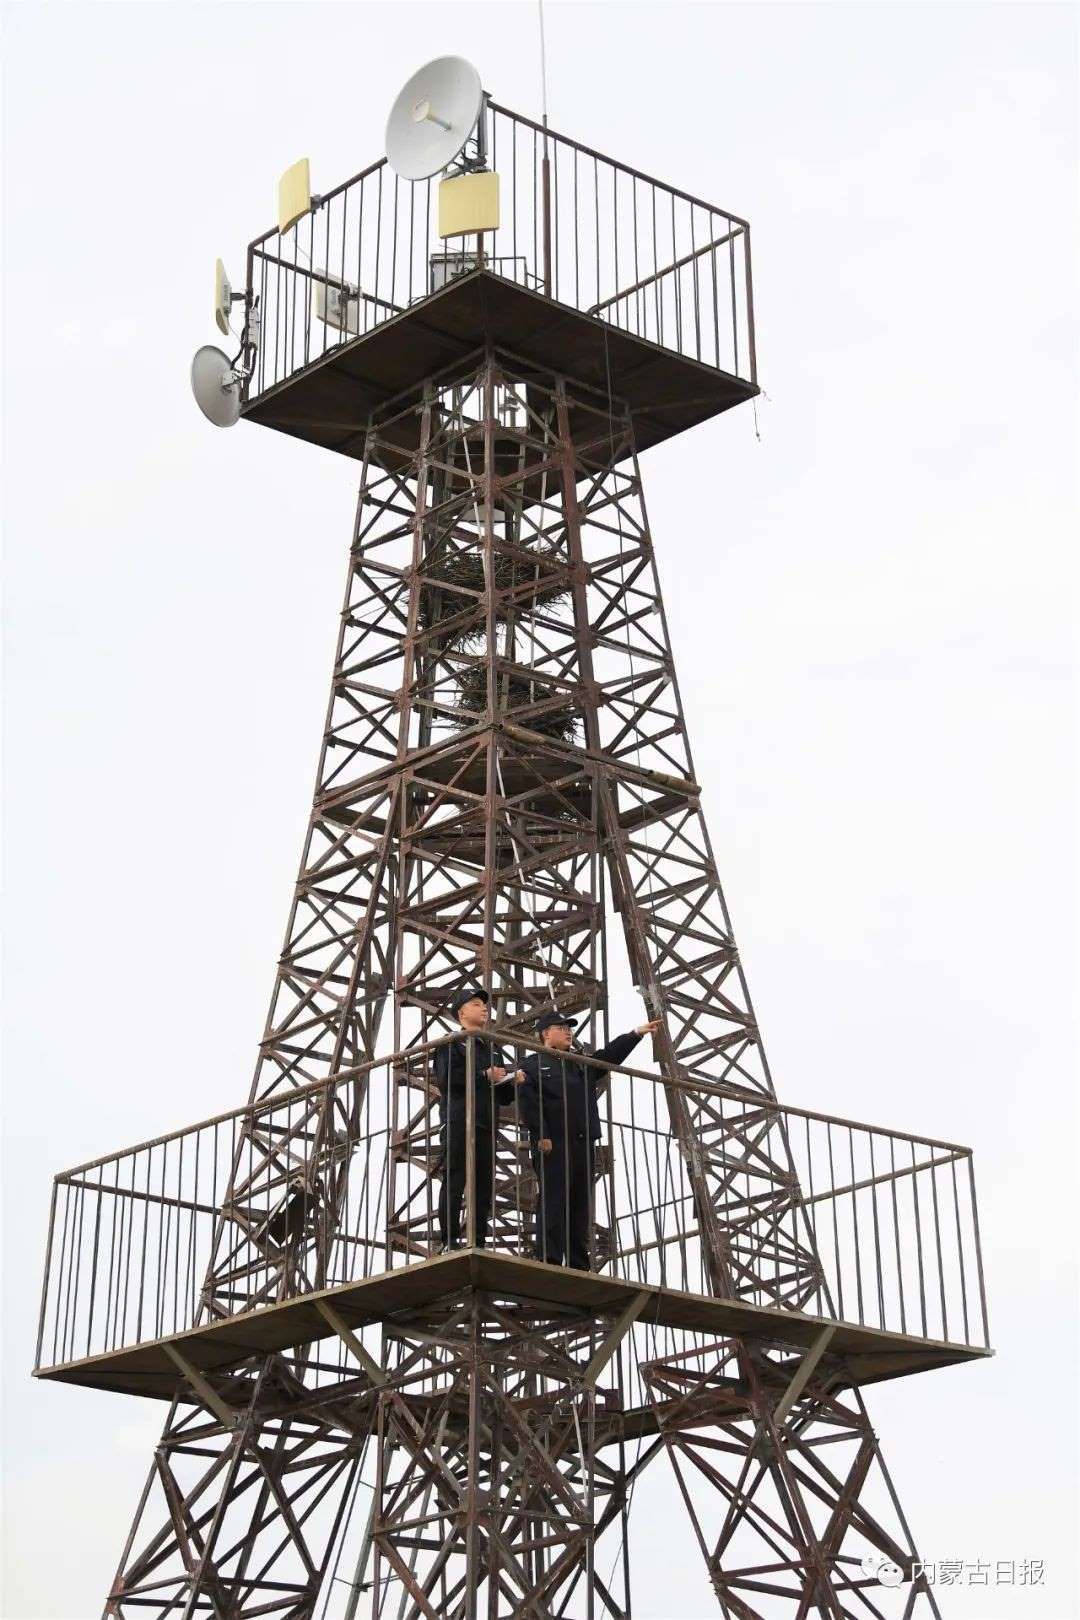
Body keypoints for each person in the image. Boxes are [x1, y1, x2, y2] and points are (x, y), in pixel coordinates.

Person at [516, 1010, 661, 1270]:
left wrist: (635, 1035)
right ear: (545, 1034)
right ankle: (550, 1257)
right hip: (554, 1141)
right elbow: (529, 1103)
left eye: (569, 1028)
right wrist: (541, 1134)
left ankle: (578, 1262)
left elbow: (608, 1056)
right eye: (561, 1028)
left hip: (581, 1141)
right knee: (554, 1199)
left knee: (580, 1203)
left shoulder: (578, 1063)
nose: (568, 1032)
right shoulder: (532, 1065)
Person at [432, 988, 516, 1251]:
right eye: (476, 1004)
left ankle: (477, 1240)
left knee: (483, 1184)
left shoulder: (491, 1047)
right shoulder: (451, 1043)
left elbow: (503, 1097)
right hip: (459, 1119)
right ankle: (450, 1240)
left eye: (484, 1005)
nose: (484, 1008)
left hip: (486, 1121)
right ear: (461, 1013)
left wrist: (511, 1082)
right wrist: (484, 1075)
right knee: (455, 1179)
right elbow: (448, 1079)